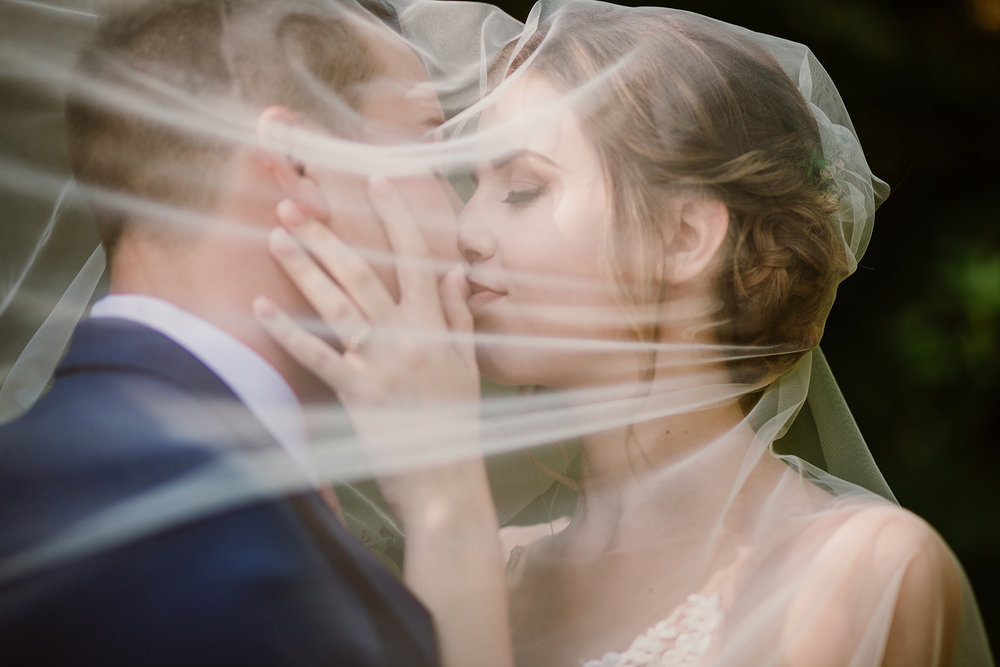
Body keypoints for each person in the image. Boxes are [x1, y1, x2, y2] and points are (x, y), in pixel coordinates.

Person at [259, 1, 995, 666]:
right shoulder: (475, 567)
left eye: (522, 188)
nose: (466, 229)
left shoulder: (858, 570)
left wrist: (444, 495)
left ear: (684, 235)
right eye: (472, 186)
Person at [0, 0, 508, 664]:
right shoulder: (206, 558)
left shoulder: (68, 465)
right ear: (297, 162)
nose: (463, 223)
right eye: (430, 156)